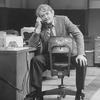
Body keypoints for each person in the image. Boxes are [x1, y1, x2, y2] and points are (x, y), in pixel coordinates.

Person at [25, 4, 87, 100]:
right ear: (39, 18)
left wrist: (80, 54)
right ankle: (37, 92)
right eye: (42, 16)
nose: (45, 17)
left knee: (82, 61)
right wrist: (37, 30)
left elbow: (78, 34)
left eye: (47, 14)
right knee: (36, 60)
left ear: (52, 12)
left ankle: (79, 91)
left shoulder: (63, 20)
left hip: (68, 54)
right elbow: (32, 44)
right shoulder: (40, 25)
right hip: (50, 55)